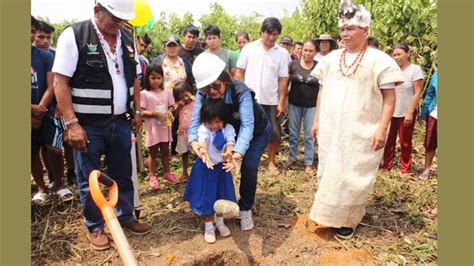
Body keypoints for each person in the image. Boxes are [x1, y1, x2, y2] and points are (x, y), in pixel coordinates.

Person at [52, 0, 150, 250]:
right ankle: (95, 227)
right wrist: (72, 123)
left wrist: (137, 109)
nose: (119, 24)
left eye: (122, 20)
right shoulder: (75, 35)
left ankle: (125, 216)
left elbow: (135, 80)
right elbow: (60, 82)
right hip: (88, 124)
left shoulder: (127, 38)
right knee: (90, 178)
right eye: (115, 18)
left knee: (123, 173)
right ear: (97, 10)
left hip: (120, 121)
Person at [308, 0, 404, 239]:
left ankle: (349, 221)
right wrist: (317, 121)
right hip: (332, 129)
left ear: (365, 31)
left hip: (362, 131)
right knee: (329, 170)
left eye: (351, 28)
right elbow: (322, 91)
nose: (345, 33)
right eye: (342, 29)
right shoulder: (330, 59)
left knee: (354, 175)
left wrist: (382, 129)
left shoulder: (380, 60)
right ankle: (328, 216)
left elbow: (389, 98)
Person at [189, 53, 271, 231]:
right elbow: (195, 121)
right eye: (206, 88)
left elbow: (248, 126)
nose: (212, 92)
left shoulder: (242, 92)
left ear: (225, 79)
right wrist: (194, 142)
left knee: (248, 167)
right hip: (226, 131)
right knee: (219, 165)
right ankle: (216, 208)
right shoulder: (203, 94)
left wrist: (238, 153)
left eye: (216, 86)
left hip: (256, 133)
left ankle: (246, 208)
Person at [235, 17, 291, 176]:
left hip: (271, 100)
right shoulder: (249, 48)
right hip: (249, 99)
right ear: (261, 32)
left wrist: (281, 102)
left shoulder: (282, 53)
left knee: (273, 132)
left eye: (275, 34)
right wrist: (239, 93)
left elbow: (283, 79)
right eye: (269, 34)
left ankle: (271, 162)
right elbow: (239, 72)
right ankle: (244, 160)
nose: (271, 38)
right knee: (247, 129)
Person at [31, 15, 73, 204]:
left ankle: (59, 184)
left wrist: (40, 109)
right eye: (36, 34)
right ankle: (41, 187)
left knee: (54, 149)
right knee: (31, 152)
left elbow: (52, 85)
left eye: (33, 32)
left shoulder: (47, 57)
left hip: (47, 111)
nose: (34, 37)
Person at [184, 98, 237, 243]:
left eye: (218, 122)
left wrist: (228, 152)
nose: (214, 126)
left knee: (222, 197)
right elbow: (203, 141)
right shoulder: (203, 129)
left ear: (224, 120)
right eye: (211, 122)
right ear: (205, 120)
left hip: (222, 169)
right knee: (207, 197)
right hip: (206, 168)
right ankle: (208, 226)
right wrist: (203, 151)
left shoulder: (229, 129)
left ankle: (220, 222)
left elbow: (230, 143)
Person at [152, 35, 195, 162]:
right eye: (169, 45)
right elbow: (152, 78)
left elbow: (191, 81)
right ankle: (162, 151)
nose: (171, 48)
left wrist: (190, 96)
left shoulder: (185, 62)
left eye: (174, 45)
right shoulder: (158, 61)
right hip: (163, 100)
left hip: (182, 101)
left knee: (179, 123)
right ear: (164, 47)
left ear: (179, 47)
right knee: (164, 123)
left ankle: (178, 151)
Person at [382, 43, 424, 174]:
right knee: (388, 141)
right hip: (391, 111)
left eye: (399, 54)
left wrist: (410, 112)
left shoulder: (414, 70)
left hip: (405, 111)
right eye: (394, 55)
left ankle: (405, 169)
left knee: (405, 142)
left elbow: (417, 92)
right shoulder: (391, 70)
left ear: (408, 54)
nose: (396, 57)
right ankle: (387, 166)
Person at [140, 64, 178, 189]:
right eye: (153, 78)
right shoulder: (144, 94)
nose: (156, 81)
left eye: (158, 78)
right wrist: (155, 114)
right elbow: (141, 111)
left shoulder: (167, 93)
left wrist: (170, 112)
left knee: (166, 152)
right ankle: (153, 176)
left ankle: (167, 173)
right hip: (153, 129)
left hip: (164, 128)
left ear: (162, 79)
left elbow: (172, 106)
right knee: (153, 153)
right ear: (147, 78)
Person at [287, 40, 319, 174]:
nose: (307, 53)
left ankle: (308, 162)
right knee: (293, 133)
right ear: (300, 50)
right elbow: (285, 82)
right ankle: (292, 158)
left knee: (309, 135)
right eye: (305, 50)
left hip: (312, 106)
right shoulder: (293, 64)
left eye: (310, 51)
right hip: (294, 104)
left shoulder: (319, 67)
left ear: (315, 52)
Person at [172, 81, 196, 181]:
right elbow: (175, 115)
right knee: (184, 153)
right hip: (183, 132)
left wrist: (194, 99)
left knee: (196, 153)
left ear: (191, 92)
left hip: (195, 132)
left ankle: (198, 173)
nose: (185, 99)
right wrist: (179, 106)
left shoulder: (196, 102)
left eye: (186, 95)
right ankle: (185, 172)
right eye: (181, 98)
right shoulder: (179, 105)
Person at [419, 70, 437, 180]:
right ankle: (426, 169)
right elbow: (430, 94)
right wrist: (424, 113)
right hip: (435, 114)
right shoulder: (437, 74)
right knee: (430, 143)